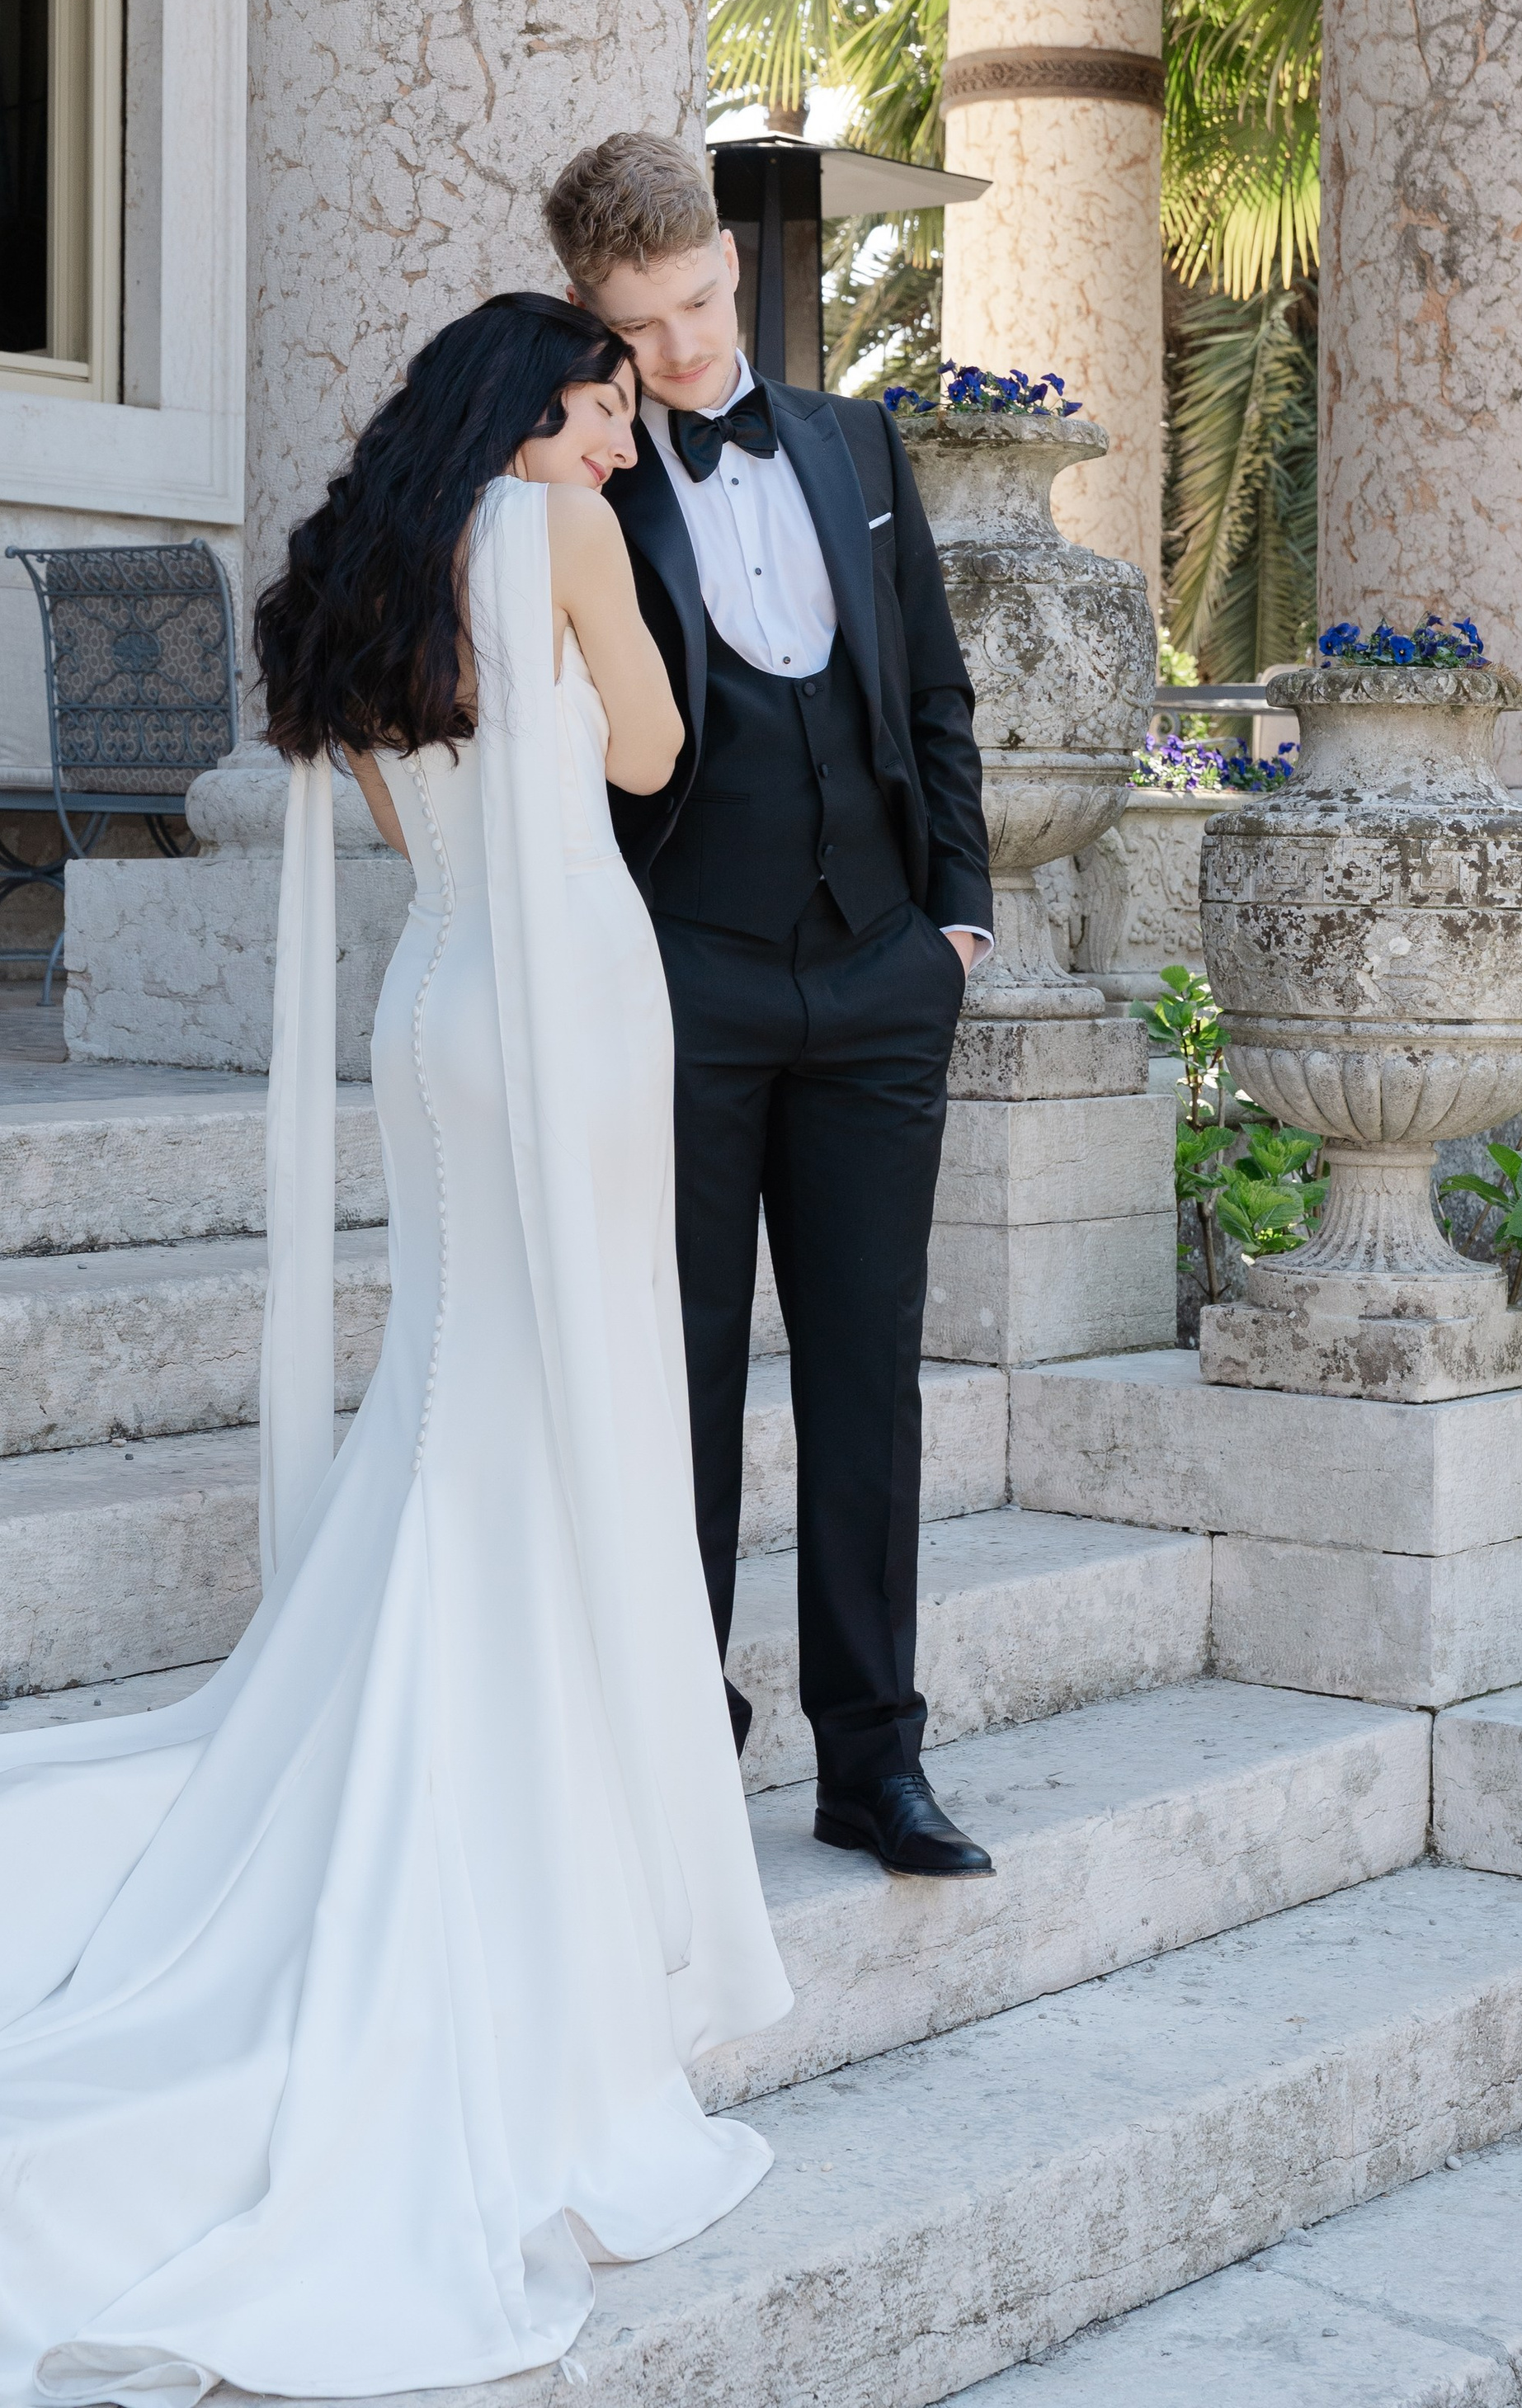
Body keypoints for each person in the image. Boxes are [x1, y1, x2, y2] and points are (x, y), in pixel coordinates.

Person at [0, 290, 790, 2407]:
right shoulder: (553, 537)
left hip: (440, 1018)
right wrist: (590, 702)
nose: (620, 440)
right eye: (605, 405)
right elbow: (656, 753)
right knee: (561, 1413)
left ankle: (442, 1742)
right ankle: (532, 1826)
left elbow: (420, 836)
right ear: (532, 405)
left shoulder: (369, 581)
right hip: (575, 1007)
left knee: (459, 1409)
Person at [544, 133, 998, 1883]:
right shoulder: (575, 489)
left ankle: (872, 1762)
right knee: (685, 1376)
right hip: (687, 978)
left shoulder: (852, 443)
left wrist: (952, 925)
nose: (679, 351)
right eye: (639, 324)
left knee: (867, 1374)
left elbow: (934, 698)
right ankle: (679, 1734)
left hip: (882, 976)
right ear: (593, 319)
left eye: (699, 302)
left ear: (734, 265)